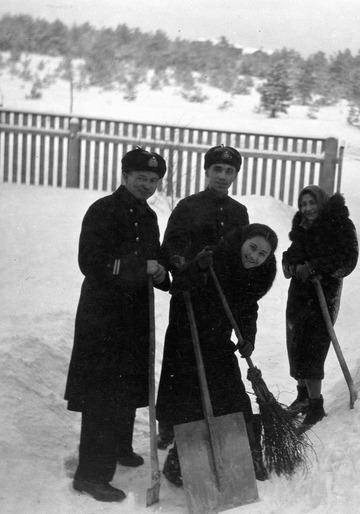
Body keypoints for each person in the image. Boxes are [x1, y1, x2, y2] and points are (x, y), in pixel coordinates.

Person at [64, 147, 170, 503]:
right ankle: (90, 475)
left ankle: (120, 447)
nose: (147, 185)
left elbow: (155, 258)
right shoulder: (103, 210)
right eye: (141, 178)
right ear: (125, 176)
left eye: (154, 180)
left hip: (134, 313)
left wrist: (162, 272)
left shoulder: (150, 216)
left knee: (126, 382)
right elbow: (91, 262)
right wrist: (142, 269)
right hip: (103, 314)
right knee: (102, 392)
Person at [156, 223, 278, 484]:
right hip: (188, 337)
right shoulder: (214, 257)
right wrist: (197, 267)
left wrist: (248, 339)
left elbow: (247, 310)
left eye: (262, 254)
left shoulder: (257, 276)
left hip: (218, 340)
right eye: (252, 248)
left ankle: (246, 457)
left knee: (233, 397)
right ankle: (180, 466)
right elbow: (179, 286)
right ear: (242, 242)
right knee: (194, 401)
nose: (254, 257)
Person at [158, 144, 249, 481]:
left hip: (219, 299)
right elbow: (172, 248)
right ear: (207, 171)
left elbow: (243, 253)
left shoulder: (239, 212)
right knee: (179, 357)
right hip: (189, 294)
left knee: (212, 359)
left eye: (229, 172)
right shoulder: (188, 207)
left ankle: (205, 419)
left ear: (235, 175)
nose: (222, 177)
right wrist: (192, 263)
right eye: (217, 171)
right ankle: (169, 422)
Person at [282, 185, 358, 427]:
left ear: (322, 202)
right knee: (296, 341)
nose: (307, 208)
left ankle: (316, 406)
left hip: (324, 294)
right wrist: (293, 267)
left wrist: (315, 267)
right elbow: (290, 255)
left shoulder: (341, 224)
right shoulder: (302, 226)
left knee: (314, 344)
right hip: (300, 291)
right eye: (303, 204)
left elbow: (347, 259)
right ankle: (303, 396)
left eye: (312, 203)